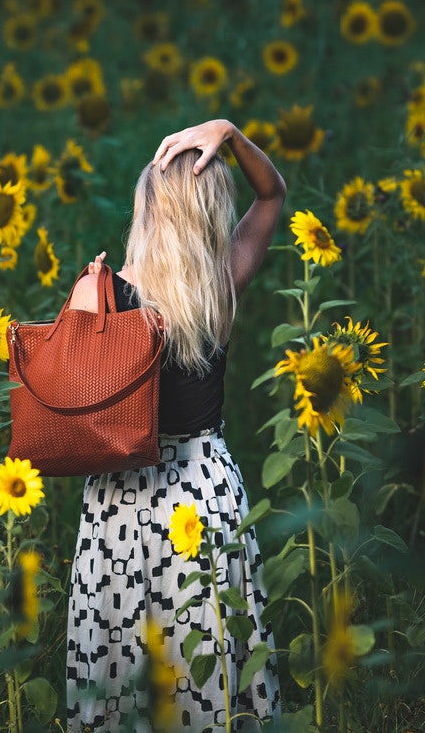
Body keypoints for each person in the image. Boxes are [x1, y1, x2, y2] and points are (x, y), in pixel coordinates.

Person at [65, 119, 286, 732]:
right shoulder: (221, 284)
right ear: (212, 213)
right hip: (204, 489)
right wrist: (234, 137)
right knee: (206, 656)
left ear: (147, 209)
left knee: (125, 667)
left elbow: (76, 412)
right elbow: (273, 195)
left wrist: (89, 297)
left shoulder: (107, 295)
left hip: (124, 501)